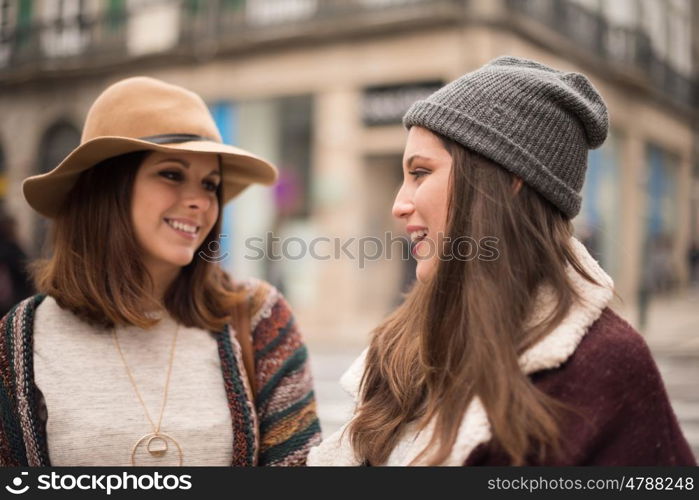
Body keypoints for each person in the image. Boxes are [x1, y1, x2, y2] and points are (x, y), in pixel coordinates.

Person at [307, 57, 695, 466]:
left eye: (420, 173)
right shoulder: (397, 343)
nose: (398, 205)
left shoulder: (607, 363)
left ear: (508, 181)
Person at [0, 76, 320, 466]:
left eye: (210, 184)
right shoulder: (20, 340)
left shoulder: (259, 319)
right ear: (108, 186)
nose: (199, 201)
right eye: (171, 174)